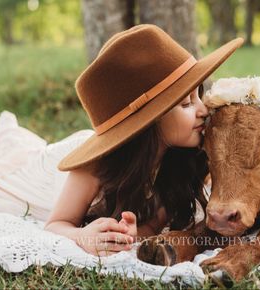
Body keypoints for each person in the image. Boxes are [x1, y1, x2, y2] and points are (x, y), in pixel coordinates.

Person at [43, 24, 243, 257]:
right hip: (50, 178)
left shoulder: (181, 163)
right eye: (186, 103)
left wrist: (132, 235)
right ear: (149, 120)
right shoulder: (96, 166)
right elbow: (54, 225)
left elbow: (151, 227)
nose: (202, 109)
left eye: (198, 94)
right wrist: (82, 235)